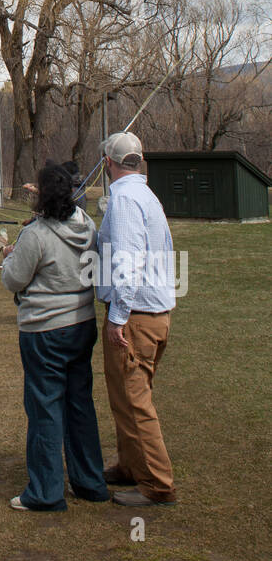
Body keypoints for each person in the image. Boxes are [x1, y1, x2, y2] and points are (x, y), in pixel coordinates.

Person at [1, 162, 109, 512]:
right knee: (79, 405)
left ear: (42, 196)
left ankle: (46, 493)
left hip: (45, 333)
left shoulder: (35, 235)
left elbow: (13, 280)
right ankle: (90, 483)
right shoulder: (88, 225)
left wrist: (10, 258)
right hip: (82, 327)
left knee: (45, 408)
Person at [96, 132, 177, 507]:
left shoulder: (126, 199)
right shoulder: (146, 195)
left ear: (109, 164)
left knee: (135, 400)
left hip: (137, 318)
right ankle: (129, 466)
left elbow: (127, 263)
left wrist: (117, 318)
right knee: (125, 397)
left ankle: (157, 485)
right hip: (154, 314)